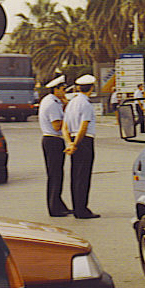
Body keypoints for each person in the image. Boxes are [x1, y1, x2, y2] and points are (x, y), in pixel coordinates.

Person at [63, 74, 100, 219]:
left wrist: (70, 143)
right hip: (83, 141)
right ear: (91, 88)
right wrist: (76, 144)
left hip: (73, 139)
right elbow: (83, 128)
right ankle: (82, 209)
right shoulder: (86, 104)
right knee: (83, 176)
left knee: (75, 176)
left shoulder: (71, 103)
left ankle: (77, 207)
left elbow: (65, 127)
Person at [38, 76, 71, 217]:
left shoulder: (51, 101)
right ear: (56, 89)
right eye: (63, 89)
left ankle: (58, 204)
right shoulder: (52, 104)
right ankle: (54, 208)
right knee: (55, 175)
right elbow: (57, 125)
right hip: (53, 140)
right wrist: (70, 119)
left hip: (51, 140)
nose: (64, 92)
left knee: (57, 174)